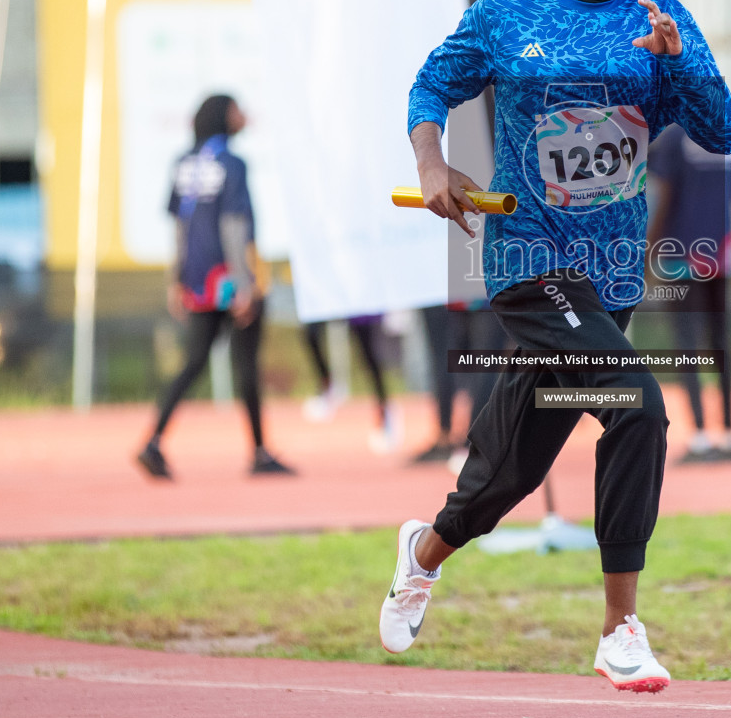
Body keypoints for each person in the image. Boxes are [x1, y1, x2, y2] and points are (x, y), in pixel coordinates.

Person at [379, 0, 731, 693]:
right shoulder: (509, 12)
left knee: (512, 464)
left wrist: (678, 62)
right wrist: (434, 164)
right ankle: (620, 629)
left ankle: (423, 553)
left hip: (609, 276)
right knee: (637, 406)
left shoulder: (659, 17)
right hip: (527, 259)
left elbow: (723, 133)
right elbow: (433, 83)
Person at [137, 95, 294, 480]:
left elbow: (180, 227)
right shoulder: (233, 164)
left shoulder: (182, 163)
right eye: (238, 109)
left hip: (198, 280)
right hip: (230, 278)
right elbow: (234, 225)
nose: (244, 116)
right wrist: (243, 285)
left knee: (193, 362)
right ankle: (259, 452)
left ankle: (153, 442)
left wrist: (176, 280)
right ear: (224, 116)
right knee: (246, 365)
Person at [646, 124, 731, 463]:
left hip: (679, 254)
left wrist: (646, 257)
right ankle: (729, 436)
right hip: (720, 254)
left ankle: (700, 437)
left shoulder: (675, 138)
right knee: (720, 345)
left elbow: (664, 198)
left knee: (688, 347)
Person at [416, 301, 505, 465]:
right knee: (480, 364)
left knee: (483, 364)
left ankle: (473, 442)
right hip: (478, 290)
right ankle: (472, 441)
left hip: (486, 290)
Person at [301, 313, 403, 453]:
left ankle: (384, 409)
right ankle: (327, 384)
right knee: (310, 331)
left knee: (367, 352)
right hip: (332, 295)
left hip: (355, 300)